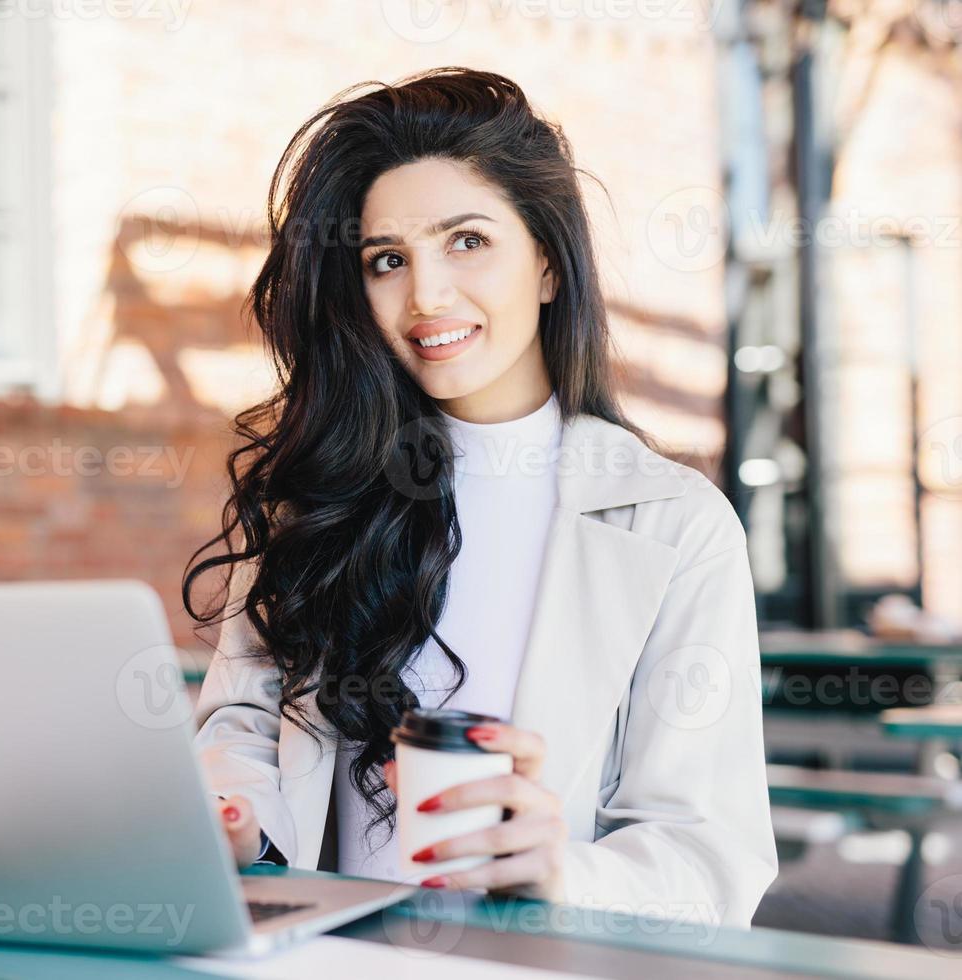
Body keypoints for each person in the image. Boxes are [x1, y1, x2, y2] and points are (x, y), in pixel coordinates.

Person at [183, 67, 777, 928]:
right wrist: (242, 828)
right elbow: (242, 733)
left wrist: (561, 872)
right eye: (388, 260)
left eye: (467, 241)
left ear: (546, 262)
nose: (426, 296)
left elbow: (711, 852)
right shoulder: (318, 497)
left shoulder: (674, 524)